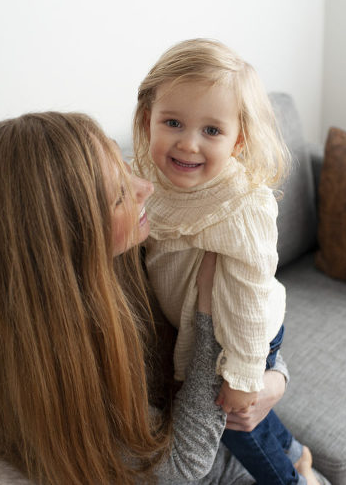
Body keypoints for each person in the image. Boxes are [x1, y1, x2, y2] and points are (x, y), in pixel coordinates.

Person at [0, 111, 314, 484]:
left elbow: (252, 316)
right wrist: (208, 313)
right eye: (120, 195)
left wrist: (274, 380)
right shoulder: (58, 376)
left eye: (126, 167)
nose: (146, 188)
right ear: (68, 240)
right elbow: (180, 467)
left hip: (238, 435)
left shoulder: (144, 250)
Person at [133, 39, 318, 485]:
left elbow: (251, 296)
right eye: (172, 123)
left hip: (243, 334)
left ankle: (293, 479)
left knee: (239, 427)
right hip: (203, 328)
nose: (188, 143)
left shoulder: (242, 204)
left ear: (239, 140)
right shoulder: (147, 179)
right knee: (246, 419)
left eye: (211, 131)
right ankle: (296, 452)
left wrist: (244, 374)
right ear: (146, 120)